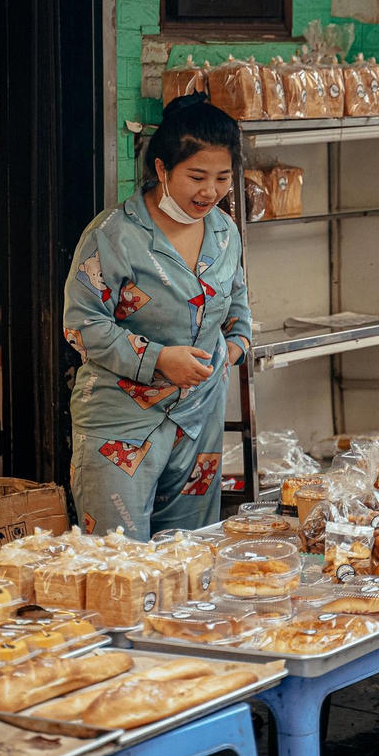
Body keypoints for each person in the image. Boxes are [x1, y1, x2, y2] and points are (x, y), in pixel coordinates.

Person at [62, 94, 251, 540]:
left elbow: (237, 307)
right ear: (162, 169)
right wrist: (160, 360)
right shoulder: (115, 235)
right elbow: (82, 325)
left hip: (199, 422)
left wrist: (233, 351)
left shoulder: (225, 232)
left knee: (189, 560)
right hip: (121, 426)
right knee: (120, 566)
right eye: (197, 176)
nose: (210, 191)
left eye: (223, 178)